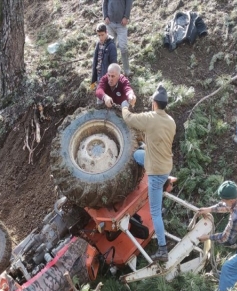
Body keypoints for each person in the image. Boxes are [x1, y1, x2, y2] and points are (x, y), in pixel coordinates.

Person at [121, 84, 175, 262]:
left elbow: (129, 119)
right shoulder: (171, 121)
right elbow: (158, 140)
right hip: (165, 165)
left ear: (154, 103)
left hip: (156, 171)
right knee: (138, 154)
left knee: (155, 212)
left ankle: (162, 248)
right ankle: (162, 181)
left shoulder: (150, 118)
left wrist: (123, 106)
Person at [103, 0, 133, 76]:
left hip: (121, 24)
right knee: (110, 48)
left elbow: (129, 3)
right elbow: (105, 3)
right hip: (110, 24)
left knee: (123, 47)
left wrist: (126, 17)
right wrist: (105, 16)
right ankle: (111, 71)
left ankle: (127, 70)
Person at [90, 23, 117, 95]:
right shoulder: (98, 44)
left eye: (102, 35)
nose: (101, 37)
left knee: (107, 97)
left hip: (107, 77)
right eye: (99, 35)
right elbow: (95, 61)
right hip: (99, 75)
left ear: (106, 32)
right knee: (100, 97)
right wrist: (93, 79)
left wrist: (112, 79)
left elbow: (114, 64)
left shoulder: (111, 46)